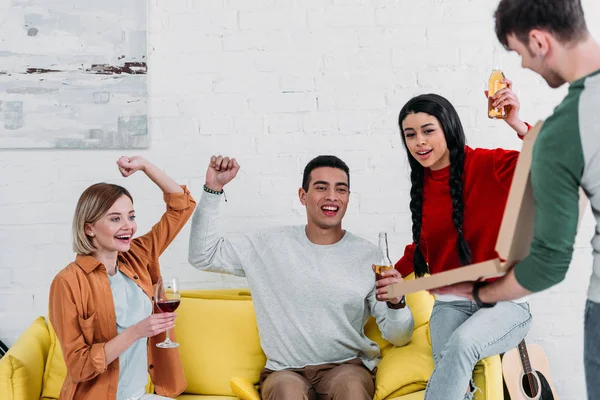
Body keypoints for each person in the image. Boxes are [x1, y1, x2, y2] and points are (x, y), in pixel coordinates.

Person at [431, 1, 600, 398]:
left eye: (521, 54)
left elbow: (550, 263)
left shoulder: (568, 125)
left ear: (540, 41)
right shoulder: (566, 130)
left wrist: (481, 293)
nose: (524, 66)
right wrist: (518, 124)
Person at [188, 155, 414, 400]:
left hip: (347, 368)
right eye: (321, 187)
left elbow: (399, 337)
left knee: (350, 389)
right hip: (284, 371)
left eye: (341, 189)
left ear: (348, 198)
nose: (332, 196)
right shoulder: (268, 245)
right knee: (287, 392)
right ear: (302, 196)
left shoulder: (369, 255)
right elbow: (203, 255)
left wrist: (397, 303)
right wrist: (213, 189)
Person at [376, 90, 533, 400]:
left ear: (447, 127)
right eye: (410, 134)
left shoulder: (488, 165)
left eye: (428, 130)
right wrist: (391, 277)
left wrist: (516, 123)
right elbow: (422, 246)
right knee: (453, 377)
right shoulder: (422, 186)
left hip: (505, 302)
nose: (419, 141)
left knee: (462, 344)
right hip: (450, 304)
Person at [49, 156, 195, 400]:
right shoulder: (68, 282)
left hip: (138, 396)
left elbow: (182, 207)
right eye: (115, 218)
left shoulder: (139, 255)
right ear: (89, 228)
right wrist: (137, 331)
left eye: (131, 216)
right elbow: (78, 366)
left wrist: (146, 166)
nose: (128, 226)